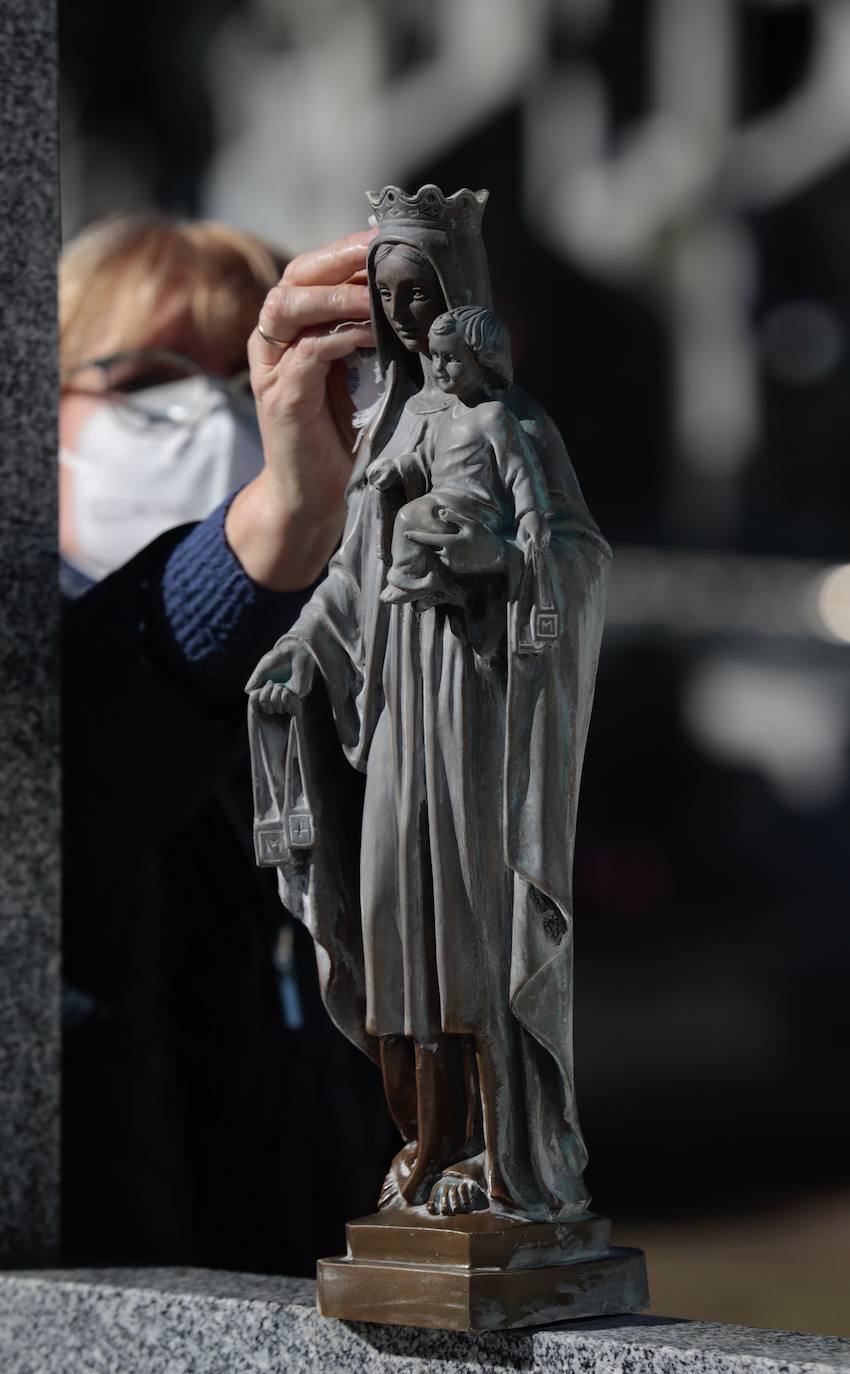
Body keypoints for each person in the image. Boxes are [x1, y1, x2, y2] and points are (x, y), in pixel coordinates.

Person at [247, 185, 611, 1220]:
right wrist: (302, 652)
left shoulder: (514, 423)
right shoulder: (391, 426)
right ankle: (425, 1139)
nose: (407, 320)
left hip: (475, 698)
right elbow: (352, 579)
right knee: (397, 924)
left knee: (470, 925)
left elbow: (571, 550)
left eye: (421, 295)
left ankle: (500, 1160)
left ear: (460, 299)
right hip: (400, 708)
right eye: (390, 296)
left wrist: (489, 560)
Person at [60, 214, 397, 1271]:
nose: (214, 413)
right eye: (146, 376)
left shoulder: (336, 719)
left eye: (238, 372)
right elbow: (88, 762)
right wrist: (265, 537)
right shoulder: (53, 702)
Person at [367, 304, 551, 609]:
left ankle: (409, 579)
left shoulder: (493, 415)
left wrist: (530, 513)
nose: (439, 367)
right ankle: (433, 582)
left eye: (451, 359)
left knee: (408, 518)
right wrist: (397, 468)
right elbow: (426, 459)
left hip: (474, 508)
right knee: (413, 523)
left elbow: (519, 471)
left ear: (482, 362)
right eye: (436, 356)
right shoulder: (448, 416)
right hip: (444, 501)